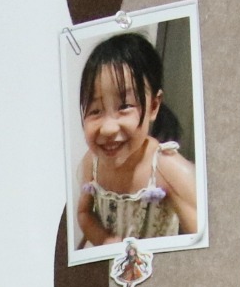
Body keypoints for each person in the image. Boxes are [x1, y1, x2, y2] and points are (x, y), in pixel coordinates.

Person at [75, 29, 199, 250]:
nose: (108, 128)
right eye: (95, 110)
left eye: (124, 106)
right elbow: (84, 213)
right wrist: (105, 240)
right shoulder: (91, 163)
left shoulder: (167, 168)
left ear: (154, 106)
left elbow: (206, 241)